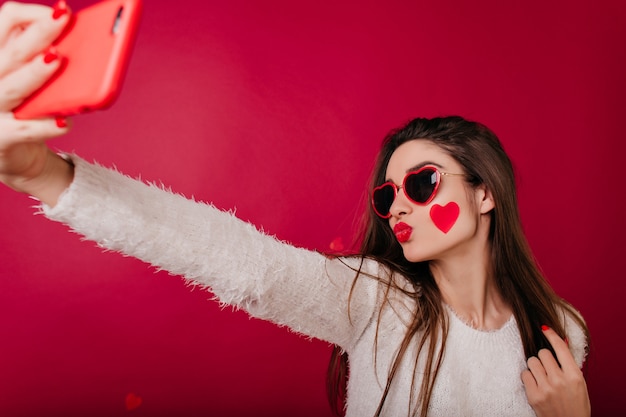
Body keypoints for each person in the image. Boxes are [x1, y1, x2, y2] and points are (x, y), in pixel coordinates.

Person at [0, 2, 591, 416]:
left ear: (485, 193)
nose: (397, 209)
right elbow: (239, 260)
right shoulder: (375, 297)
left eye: (421, 183)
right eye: (386, 196)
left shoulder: (562, 331)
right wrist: (48, 176)